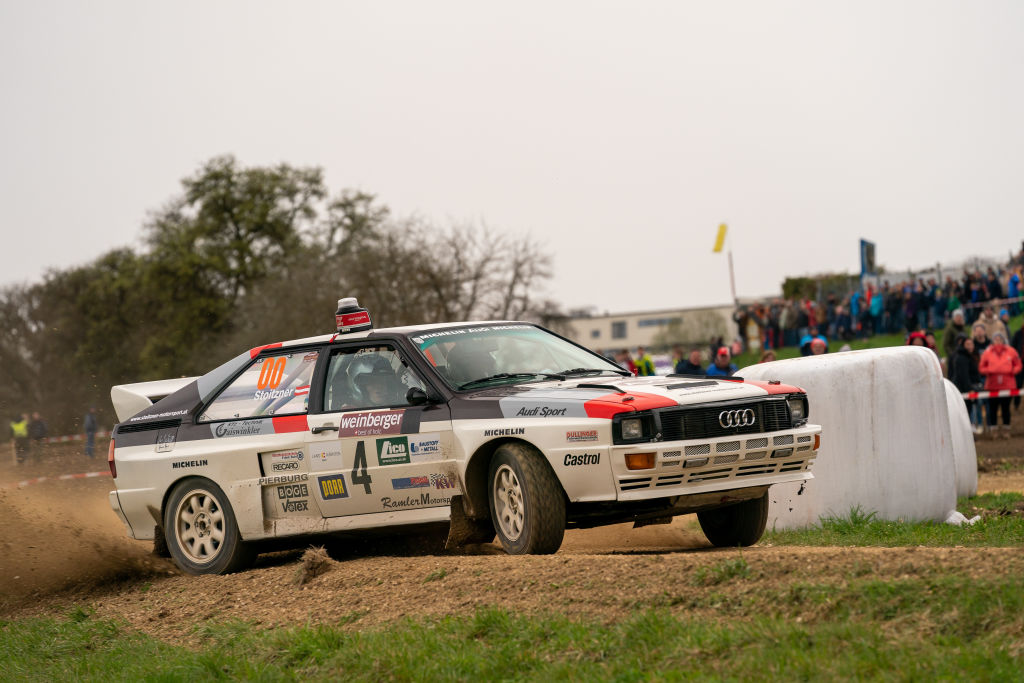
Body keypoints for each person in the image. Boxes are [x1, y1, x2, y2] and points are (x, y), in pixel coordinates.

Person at [978, 331, 1022, 439]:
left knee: (1006, 408)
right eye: (995, 339)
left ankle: (1006, 430)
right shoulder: (987, 352)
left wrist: (1012, 370)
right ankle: (994, 430)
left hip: (1008, 385)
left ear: (1003, 340)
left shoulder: (1011, 351)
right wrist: (989, 370)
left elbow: (1018, 365)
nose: (998, 341)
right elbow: (981, 367)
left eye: (1000, 339)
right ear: (992, 341)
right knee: (993, 409)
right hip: (992, 386)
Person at [949, 334, 984, 435]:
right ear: (963, 345)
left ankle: (967, 431)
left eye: (972, 344)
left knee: (968, 411)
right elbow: (963, 376)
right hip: (963, 390)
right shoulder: (961, 358)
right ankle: (964, 433)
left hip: (967, 388)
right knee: (964, 413)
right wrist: (970, 389)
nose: (970, 346)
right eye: (967, 344)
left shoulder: (969, 356)